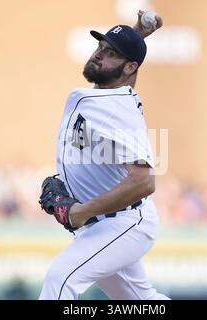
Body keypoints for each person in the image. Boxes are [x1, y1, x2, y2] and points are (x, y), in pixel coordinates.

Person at [39, 11, 170, 300]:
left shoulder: (118, 111)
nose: (99, 54)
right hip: (104, 224)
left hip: (123, 223)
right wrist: (136, 34)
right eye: (101, 47)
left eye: (111, 53)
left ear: (129, 67)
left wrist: (81, 212)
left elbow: (144, 183)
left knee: (60, 280)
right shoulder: (105, 92)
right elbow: (120, 72)